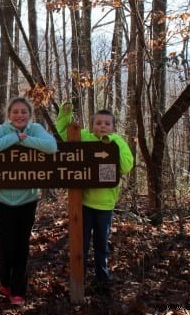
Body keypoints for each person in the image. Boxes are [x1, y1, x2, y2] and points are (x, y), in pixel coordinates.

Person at [0, 97, 58, 306]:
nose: (19, 115)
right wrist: (13, 138)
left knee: (21, 245)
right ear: (9, 115)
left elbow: (51, 147)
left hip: (28, 199)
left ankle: (18, 290)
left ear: (29, 115)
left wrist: (25, 139)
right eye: (15, 112)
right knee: (6, 245)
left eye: (24, 112)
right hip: (3, 198)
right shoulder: (3, 130)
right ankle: (5, 281)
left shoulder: (36, 129)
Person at [56, 102, 134, 295]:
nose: (102, 127)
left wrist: (110, 146)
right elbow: (64, 132)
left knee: (101, 244)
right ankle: (79, 279)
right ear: (92, 125)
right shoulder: (85, 138)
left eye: (107, 124)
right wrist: (65, 113)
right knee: (81, 244)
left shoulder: (117, 141)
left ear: (113, 127)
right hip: (83, 204)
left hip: (105, 205)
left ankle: (102, 278)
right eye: (98, 123)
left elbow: (126, 165)